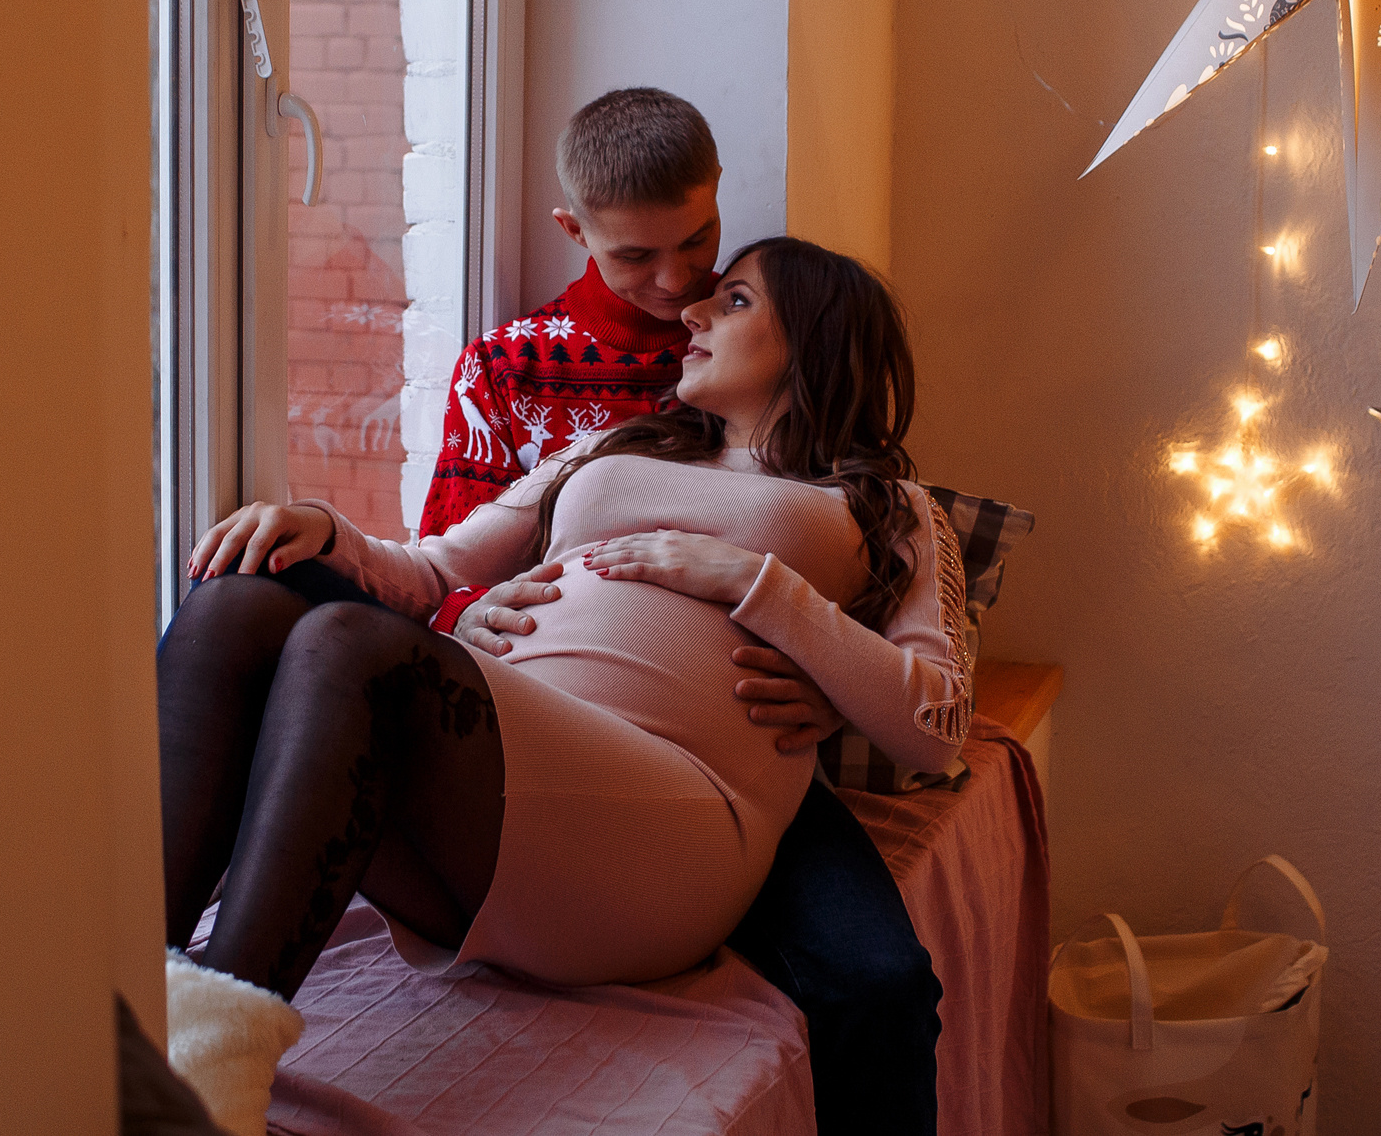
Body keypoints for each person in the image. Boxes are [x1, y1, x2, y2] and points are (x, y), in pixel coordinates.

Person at [159, 238, 968, 1126]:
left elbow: (936, 722)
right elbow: (432, 566)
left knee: (349, 643)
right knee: (243, 597)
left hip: (671, 816)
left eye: (733, 300)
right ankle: (126, 1000)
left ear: (818, 338)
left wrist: (755, 583)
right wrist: (316, 523)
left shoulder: (888, 504)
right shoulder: (618, 442)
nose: (692, 311)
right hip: (508, 764)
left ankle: (209, 1082)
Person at [419, 89, 947, 1134]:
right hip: (550, 713)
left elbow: (866, 563)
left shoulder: (752, 337)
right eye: (635, 259)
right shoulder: (509, 366)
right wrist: (465, 623)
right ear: (575, 231)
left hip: (738, 748)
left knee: (878, 980)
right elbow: (444, 559)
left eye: (699, 244)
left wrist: (829, 684)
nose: (679, 290)